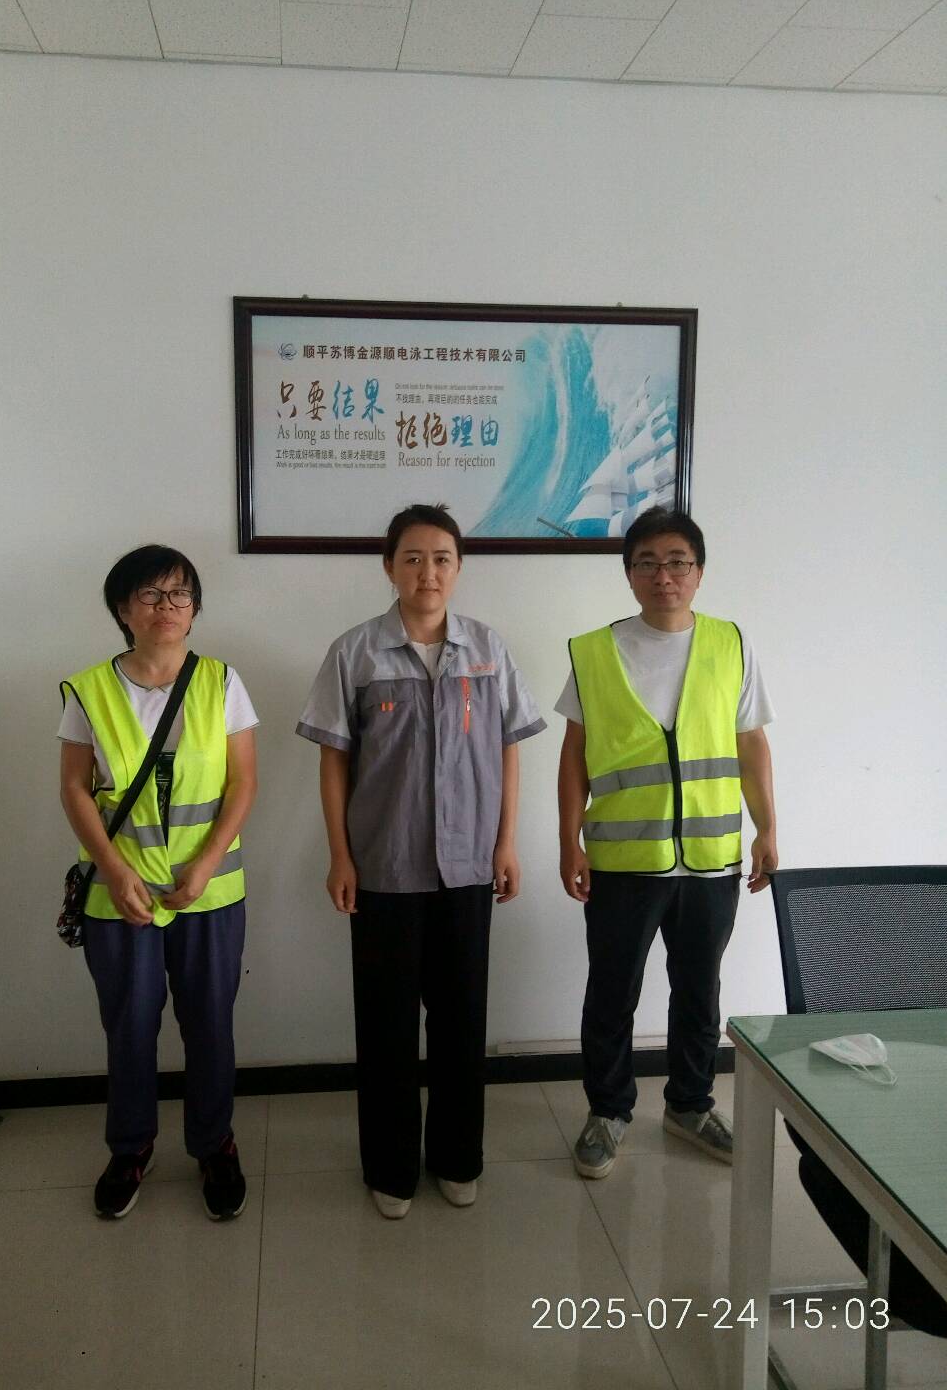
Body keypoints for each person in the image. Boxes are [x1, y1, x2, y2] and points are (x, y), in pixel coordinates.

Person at [296, 504, 545, 1219]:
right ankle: (391, 1168)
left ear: (458, 568)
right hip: (384, 867)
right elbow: (334, 761)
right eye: (412, 557)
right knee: (387, 1029)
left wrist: (505, 843)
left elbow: (509, 752)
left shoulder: (488, 650)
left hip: (468, 867)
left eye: (441, 558)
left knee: (462, 1023)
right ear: (389, 567)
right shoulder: (355, 653)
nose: (427, 571)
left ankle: (458, 1158)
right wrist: (340, 855)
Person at [556, 505, 777, 1179]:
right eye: (647, 563)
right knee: (612, 992)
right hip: (624, 861)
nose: (664, 575)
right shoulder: (594, 652)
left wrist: (768, 827)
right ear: (629, 574)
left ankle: (690, 1105)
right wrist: (568, 841)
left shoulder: (731, 644)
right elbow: (574, 757)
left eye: (678, 561)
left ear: (699, 572)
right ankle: (608, 1111)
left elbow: (750, 744)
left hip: (711, 860)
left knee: (699, 991)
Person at [58, 545, 258, 1220]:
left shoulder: (222, 682)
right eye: (150, 594)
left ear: (194, 608)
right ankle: (130, 1148)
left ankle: (215, 1144)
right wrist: (115, 872)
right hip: (121, 894)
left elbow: (243, 783)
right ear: (123, 608)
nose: (166, 607)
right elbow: (75, 790)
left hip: (211, 891)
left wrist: (204, 864)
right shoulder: (88, 690)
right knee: (129, 1026)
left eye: (179, 594)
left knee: (210, 1024)